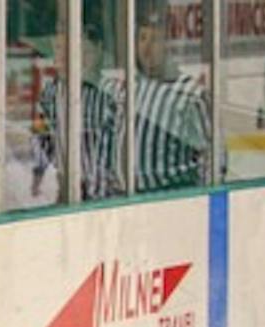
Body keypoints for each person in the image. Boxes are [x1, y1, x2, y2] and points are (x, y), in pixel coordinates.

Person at [31, 6, 125, 202]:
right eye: (59, 49)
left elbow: (114, 155)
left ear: (99, 49)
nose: (62, 57)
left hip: (104, 198)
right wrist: (39, 175)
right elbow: (40, 138)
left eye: (85, 51)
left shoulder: (111, 95)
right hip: (66, 191)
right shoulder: (49, 94)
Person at [132, 0, 211, 192]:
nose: (146, 48)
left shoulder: (191, 94)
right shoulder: (132, 90)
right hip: (133, 201)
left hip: (173, 198)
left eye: (155, 40)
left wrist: (196, 201)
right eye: (142, 38)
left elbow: (214, 159)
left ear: (168, 44)